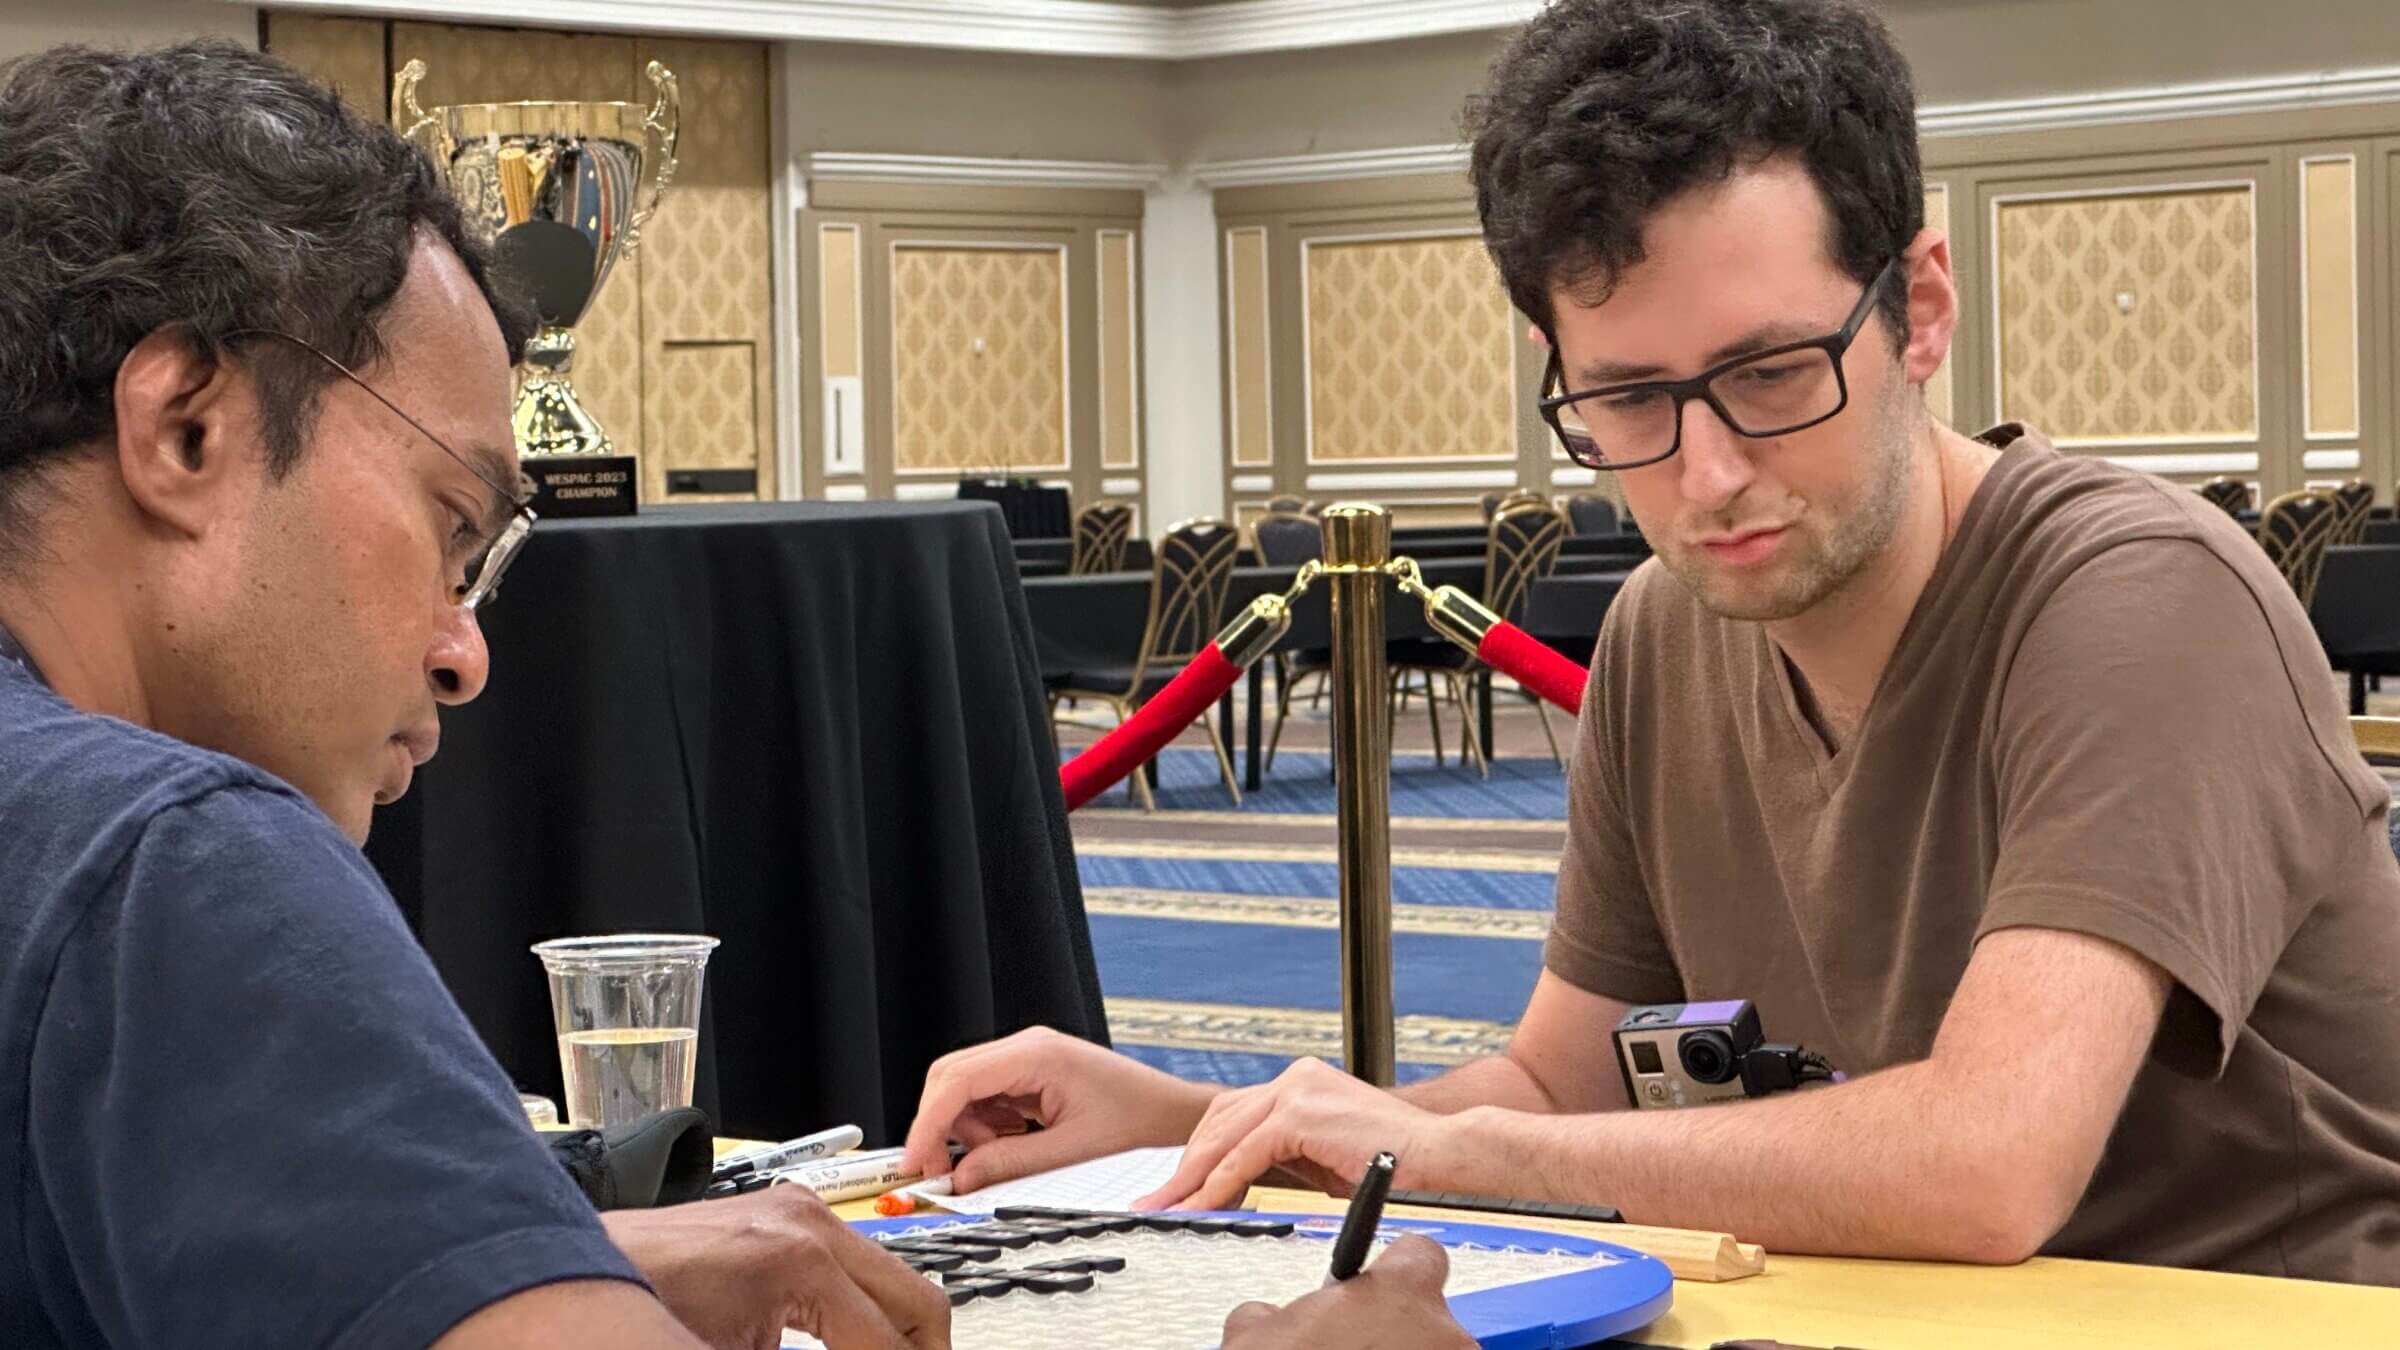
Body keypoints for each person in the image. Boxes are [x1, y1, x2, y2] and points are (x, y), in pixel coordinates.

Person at [906, 0, 2400, 1286]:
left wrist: (1464, 1150)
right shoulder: (1665, 633)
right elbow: (1555, 1080)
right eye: (1628, 399)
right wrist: (1194, 1122)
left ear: (1920, 310)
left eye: (1769, 371)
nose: (1704, 475)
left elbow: (1989, 1163)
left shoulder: (2140, 597)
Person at [0, 41, 1469, 1348]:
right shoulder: (172, 869)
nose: (465, 649)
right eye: (454, 524)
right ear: (186, 426)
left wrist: (529, 1256)